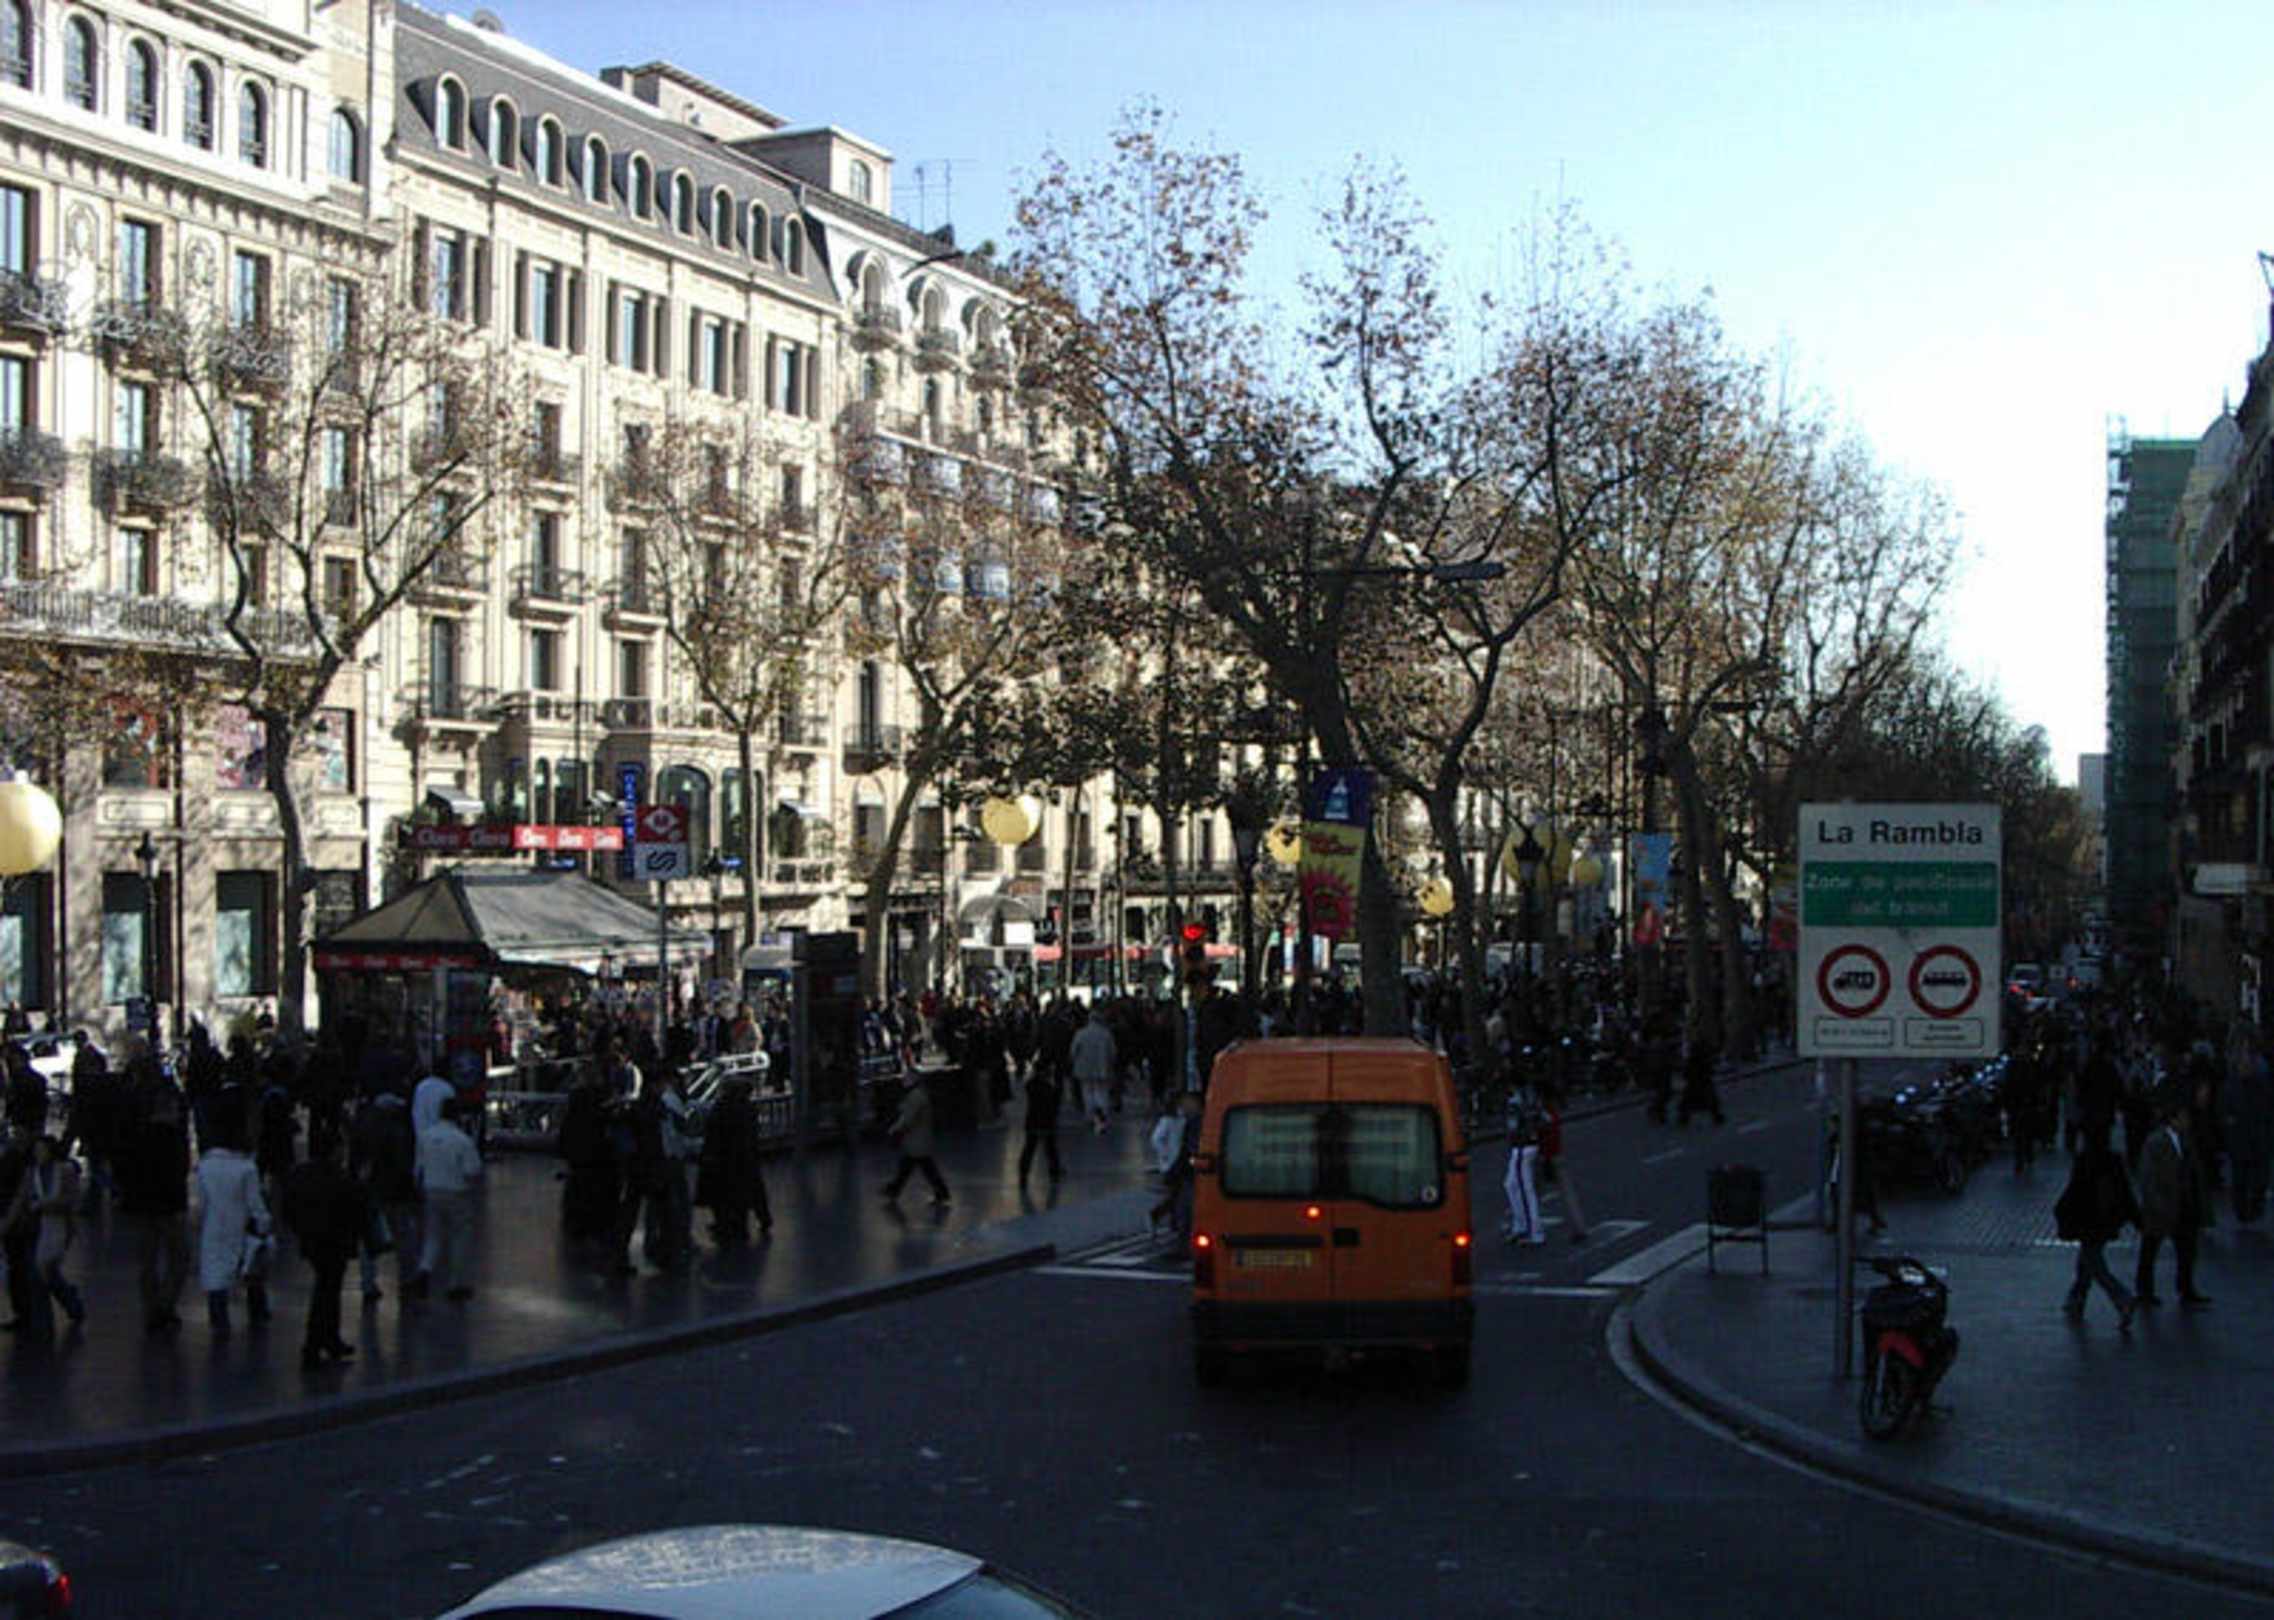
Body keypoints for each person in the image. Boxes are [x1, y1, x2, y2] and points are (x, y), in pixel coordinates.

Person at [282, 1126, 366, 1367]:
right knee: (327, 1291)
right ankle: (315, 1343)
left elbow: (288, 1207)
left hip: (311, 1239)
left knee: (327, 1288)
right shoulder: (339, 1177)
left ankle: (329, 1338)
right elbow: (355, 1207)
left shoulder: (300, 1175)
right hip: (333, 1240)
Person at [117, 1075, 192, 1334]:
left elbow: (128, 1168)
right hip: (170, 1205)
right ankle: (166, 1305)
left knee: (147, 1261)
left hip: (144, 1205)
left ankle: (151, 1308)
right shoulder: (175, 1138)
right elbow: (180, 1171)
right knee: (179, 1257)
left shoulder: (138, 1135)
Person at [195, 1108, 272, 1336]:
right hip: (242, 1225)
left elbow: (202, 1202)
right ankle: (257, 1312)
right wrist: (264, 1225)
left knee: (215, 1272)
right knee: (251, 1268)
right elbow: (255, 1202)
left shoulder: (206, 1166)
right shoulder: (246, 1168)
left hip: (214, 1226)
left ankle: (219, 1321)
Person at [2054, 1125, 2138, 1328]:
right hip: (2107, 1220)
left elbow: (2074, 1190)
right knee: (2089, 1257)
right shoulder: (2114, 1160)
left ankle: (2121, 1297)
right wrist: (2136, 1217)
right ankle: (2076, 1297)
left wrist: (2062, 1210)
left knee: (2093, 1262)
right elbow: (2125, 1190)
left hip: (2087, 1220)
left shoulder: (2084, 1160)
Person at [2135, 1090, 2213, 1309]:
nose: (2187, 1122)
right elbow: (2148, 1176)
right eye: (2183, 1117)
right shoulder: (2156, 1142)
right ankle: (2145, 1290)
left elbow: (2193, 1172)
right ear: (2173, 1119)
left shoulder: (2186, 1141)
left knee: (2186, 1249)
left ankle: (2185, 1287)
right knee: (2151, 1248)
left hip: (2183, 1203)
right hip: (2163, 1204)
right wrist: (2155, 1202)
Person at [2, 1136, 85, 1331]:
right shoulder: (32, 1173)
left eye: (42, 1150)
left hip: (57, 1226)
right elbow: (20, 1199)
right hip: (38, 1227)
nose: (38, 1154)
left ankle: (59, 1310)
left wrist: (46, 1205)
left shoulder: (64, 1171)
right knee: (42, 1272)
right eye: (37, 1150)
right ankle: (53, 1314)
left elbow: (72, 1200)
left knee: (43, 1270)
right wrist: (7, 1224)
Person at [415, 1096, 483, 1302]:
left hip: (431, 1189)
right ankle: (456, 1283)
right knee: (459, 1237)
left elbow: (419, 1167)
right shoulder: (462, 1141)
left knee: (433, 1235)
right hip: (456, 1192)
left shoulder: (426, 1137)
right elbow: (472, 1171)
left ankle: (425, 1268)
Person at [698, 1075, 772, 1246]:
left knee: (726, 1195)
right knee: (752, 1191)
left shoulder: (720, 1109)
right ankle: (759, 1220)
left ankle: (728, 1227)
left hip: (724, 1161)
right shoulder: (749, 1109)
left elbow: (712, 1135)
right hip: (746, 1158)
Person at [882, 1072, 950, 1206]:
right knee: (919, 1167)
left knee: (918, 1167)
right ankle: (894, 1190)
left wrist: (894, 1129)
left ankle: (894, 1190)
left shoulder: (915, 1096)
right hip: (918, 1139)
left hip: (916, 1139)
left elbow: (907, 1118)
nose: (903, 1081)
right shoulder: (918, 1095)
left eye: (906, 1079)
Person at [1502, 1084, 1546, 1245]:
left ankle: (1533, 1231)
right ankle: (1521, 1225)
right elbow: (1544, 1119)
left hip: (1522, 1146)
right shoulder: (1531, 1096)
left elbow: (1513, 1128)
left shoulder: (1515, 1104)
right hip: (1528, 1145)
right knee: (1511, 1185)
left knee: (1524, 1189)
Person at [1018, 1053, 1065, 1185]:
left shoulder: (1030, 1085)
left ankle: (1023, 1174)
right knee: (1050, 1148)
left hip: (1032, 1120)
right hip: (1047, 1121)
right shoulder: (1050, 1087)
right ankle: (1054, 1171)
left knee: (1030, 1148)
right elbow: (1055, 1103)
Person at [1071, 1005, 1117, 1134]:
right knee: (1102, 1093)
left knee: (1087, 1092)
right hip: (1102, 1068)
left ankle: (1090, 1116)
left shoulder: (1081, 1033)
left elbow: (1073, 1051)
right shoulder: (1106, 1034)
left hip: (1084, 1068)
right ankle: (1102, 1116)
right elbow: (1113, 1052)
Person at [1677, 1031, 1725, 1126]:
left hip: (1695, 1084)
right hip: (1701, 1083)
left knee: (1689, 1101)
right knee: (1709, 1100)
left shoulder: (1693, 1060)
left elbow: (1686, 1074)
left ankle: (1684, 1118)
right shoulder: (1701, 1060)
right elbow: (1709, 1071)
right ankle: (1716, 1117)